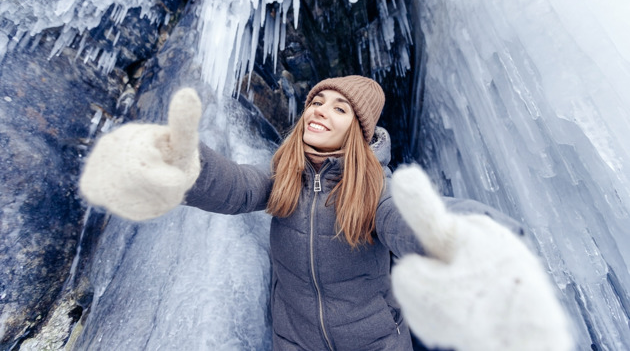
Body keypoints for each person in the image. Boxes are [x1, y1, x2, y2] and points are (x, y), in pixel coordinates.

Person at [80, 76, 573, 351]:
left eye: (340, 109)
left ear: (358, 132)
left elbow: (415, 219)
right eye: (317, 100)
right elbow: (235, 186)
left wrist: (464, 237)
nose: (320, 109)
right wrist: (186, 163)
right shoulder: (283, 178)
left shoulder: (373, 193)